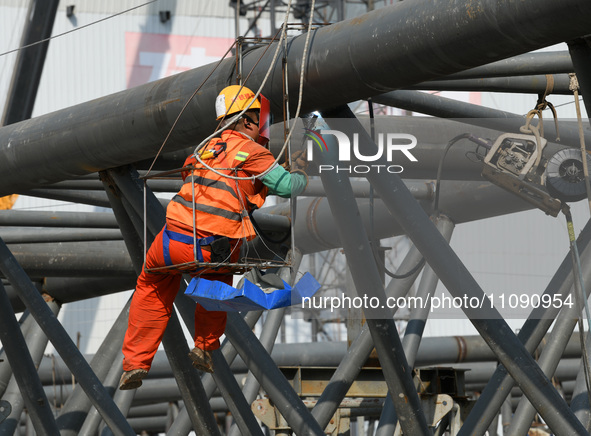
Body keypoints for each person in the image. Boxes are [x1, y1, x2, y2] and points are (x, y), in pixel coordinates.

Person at [119, 85, 308, 390]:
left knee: (150, 286)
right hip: (210, 249)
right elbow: (286, 186)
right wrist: (302, 173)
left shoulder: (203, 150)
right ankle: (205, 347)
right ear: (248, 121)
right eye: (257, 121)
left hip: (169, 243)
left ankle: (135, 363)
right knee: (217, 283)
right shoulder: (252, 151)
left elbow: (201, 178)